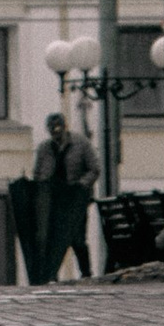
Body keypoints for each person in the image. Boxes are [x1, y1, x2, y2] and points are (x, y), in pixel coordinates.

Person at [31, 112, 101, 281]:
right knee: (53, 238)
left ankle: (86, 273)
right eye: (51, 129)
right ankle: (51, 274)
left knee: (77, 238)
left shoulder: (81, 143)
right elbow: (38, 174)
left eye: (58, 128)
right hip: (53, 201)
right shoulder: (44, 148)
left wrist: (81, 186)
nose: (55, 132)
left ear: (65, 127)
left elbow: (94, 168)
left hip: (75, 199)